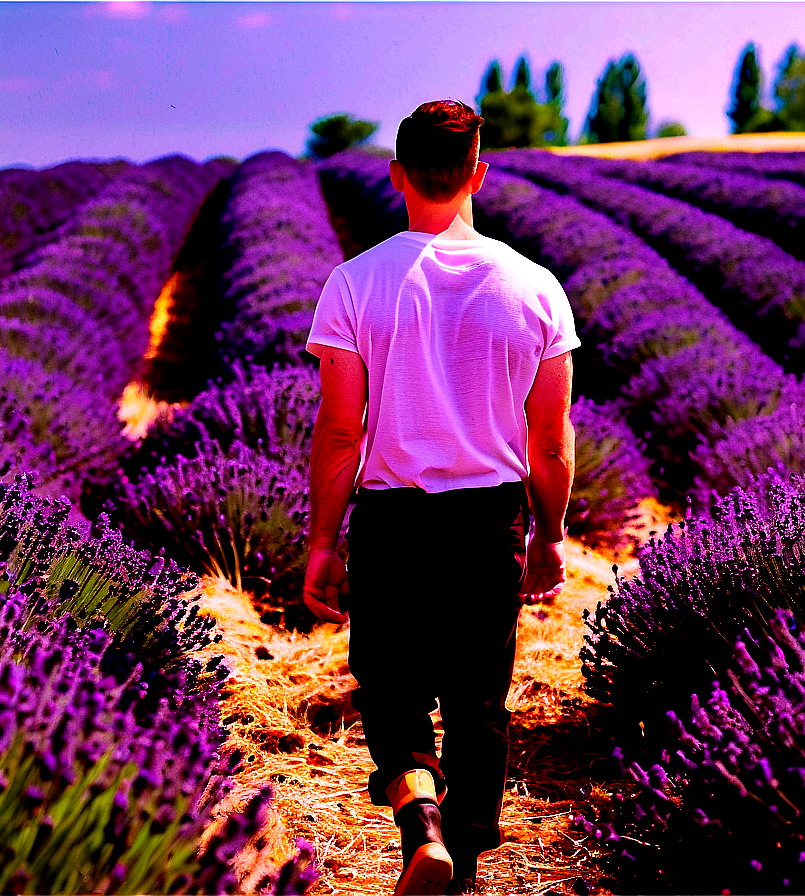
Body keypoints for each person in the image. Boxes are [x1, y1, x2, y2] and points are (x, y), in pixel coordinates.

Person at [303, 99, 580, 895]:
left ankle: (419, 818)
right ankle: (461, 852)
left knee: (389, 683)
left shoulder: (354, 283)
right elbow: (552, 440)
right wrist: (551, 533)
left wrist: (323, 543)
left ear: (396, 178)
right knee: (477, 698)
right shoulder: (535, 289)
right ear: (479, 175)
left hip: (391, 519)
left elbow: (339, 432)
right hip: (488, 518)